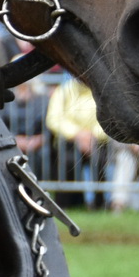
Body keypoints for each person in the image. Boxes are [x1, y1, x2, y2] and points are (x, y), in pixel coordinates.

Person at [44, 74, 101, 210]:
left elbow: (109, 119)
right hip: (68, 142)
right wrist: (77, 134)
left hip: (96, 142)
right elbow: (53, 119)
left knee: (101, 161)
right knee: (67, 162)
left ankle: (100, 204)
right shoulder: (63, 90)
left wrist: (92, 135)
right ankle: (65, 204)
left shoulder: (100, 91)